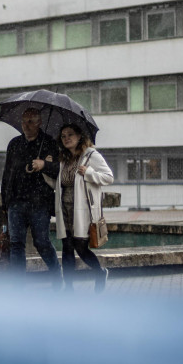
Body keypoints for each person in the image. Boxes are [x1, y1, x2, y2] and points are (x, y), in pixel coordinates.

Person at [0, 108, 62, 285]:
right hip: (16, 203)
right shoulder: (14, 144)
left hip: (40, 202)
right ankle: (18, 285)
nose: (26, 126)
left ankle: (56, 273)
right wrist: (5, 202)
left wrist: (44, 164)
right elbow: (7, 174)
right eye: (24, 122)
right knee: (16, 244)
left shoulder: (49, 143)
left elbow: (60, 170)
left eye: (31, 121)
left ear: (39, 123)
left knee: (41, 241)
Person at [54, 123, 113, 292]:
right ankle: (69, 287)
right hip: (64, 209)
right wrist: (44, 169)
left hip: (83, 211)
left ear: (80, 136)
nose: (66, 138)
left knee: (80, 247)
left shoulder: (91, 155)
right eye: (63, 136)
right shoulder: (63, 158)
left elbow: (109, 177)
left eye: (70, 134)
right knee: (66, 247)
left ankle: (99, 273)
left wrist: (88, 173)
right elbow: (59, 183)